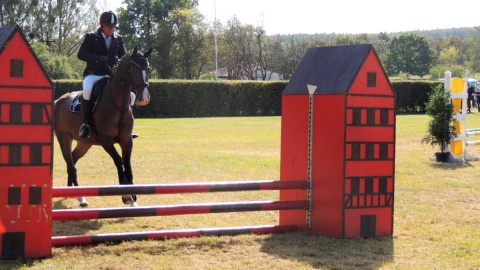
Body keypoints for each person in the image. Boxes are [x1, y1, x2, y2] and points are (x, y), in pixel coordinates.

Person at [77, 11, 136, 138]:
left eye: (113, 26)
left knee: (131, 96)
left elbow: (122, 56)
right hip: (94, 73)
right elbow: (81, 54)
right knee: (87, 91)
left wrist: (130, 59)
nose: (111, 28)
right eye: (109, 26)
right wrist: (98, 58)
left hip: (111, 75)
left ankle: (126, 126)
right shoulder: (91, 37)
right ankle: (86, 124)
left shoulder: (118, 38)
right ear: (101, 24)